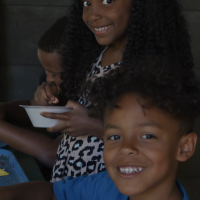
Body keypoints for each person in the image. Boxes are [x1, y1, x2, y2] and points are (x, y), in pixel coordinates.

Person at [36, 0, 194, 182]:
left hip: (113, 184)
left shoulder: (153, 68)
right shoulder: (98, 53)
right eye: (87, 3)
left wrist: (91, 125)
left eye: (107, 1)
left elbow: (153, 143)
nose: (92, 15)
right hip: (72, 182)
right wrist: (53, 95)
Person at [1, 58, 199, 200]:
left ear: (185, 147)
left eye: (147, 135)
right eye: (114, 136)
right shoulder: (107, 187)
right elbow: (53, 193)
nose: (125, 147)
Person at [0, 16, 68, 169]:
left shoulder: (93, 98)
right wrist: (4, 108)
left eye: (57, 74)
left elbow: (53, 154)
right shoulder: (53, 84)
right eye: (46, 71)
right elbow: (33, 106)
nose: (49, 78)